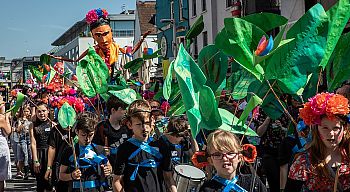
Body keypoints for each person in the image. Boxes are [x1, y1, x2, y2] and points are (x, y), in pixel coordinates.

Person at [50, 8, 149, 80]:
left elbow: (131, 52)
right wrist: (58, 58)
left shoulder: (115, 47)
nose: (104, 39)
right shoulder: (92, 50)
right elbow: (75, 60)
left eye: (106, 34)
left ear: (111, 32)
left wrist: (142, 39)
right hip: (99, 81)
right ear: (93, 37)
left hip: (114, 79)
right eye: (98, 35)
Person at [285, 92, 350, 191]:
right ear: (316, 130)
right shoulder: (303, 162)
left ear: (344, 129)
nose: (331, 133)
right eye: (325, 128)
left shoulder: (348, 157)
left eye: (336, 128)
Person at [112, 100, 176, 192]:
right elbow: (116, 181)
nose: (144, 128)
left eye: (146, 123)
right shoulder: (124, 148)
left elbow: (169, 178)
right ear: (130, 125)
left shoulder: (161, 146)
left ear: (152, 121)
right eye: (138, 124)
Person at [59, 113, 112, 192]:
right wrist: (71, 176)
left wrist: (108, 170)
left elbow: (109, 167)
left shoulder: (99, 149)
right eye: (83, 135)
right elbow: (61, 175)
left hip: (96, 189)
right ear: (77, 131)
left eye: (90, 135)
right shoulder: (70, 150)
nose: (87, 139)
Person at [199, 130, 267, 192]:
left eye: (230, 153)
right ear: (210, 160)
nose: (225, 158)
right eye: (217, 154)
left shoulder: (253, 182)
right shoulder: (206, 189)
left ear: (239, 157)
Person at [92, 95, 131, 191]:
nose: (125, 112)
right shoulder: (102, 128)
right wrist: (104, 157)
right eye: (122, 109)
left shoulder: (127, 127)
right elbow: (94, 148)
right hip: (108, 175)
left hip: (126, 173)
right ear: (113, 110)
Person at [29, 102, 54, 192]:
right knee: (40, 182)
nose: (41, 113)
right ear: (36, 113)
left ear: (48, 111)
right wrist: (35, 160)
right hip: (39, 154)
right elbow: (33, 143)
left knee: (50, 183)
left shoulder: (53, 125)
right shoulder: (33, 125)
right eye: (39, 111)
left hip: (51, 155)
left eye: (43, 111)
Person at [45, 122, 72, 191]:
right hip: (60, 164)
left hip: (75, 164)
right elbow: (52, 148)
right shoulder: (56, 129)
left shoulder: (78, 128)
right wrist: (49, 167)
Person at [16, 105, 33, 180]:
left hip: (30, 138)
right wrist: (22, 122)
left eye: (27, 111)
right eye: (24, 111)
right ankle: (26, 173)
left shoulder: (32, 119)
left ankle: (32, 170)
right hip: (23, 138)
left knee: (30, 155)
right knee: (25, 154)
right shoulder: (20, 119)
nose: (26, 113)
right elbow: (18, 130)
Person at [0, 96, 11, 192]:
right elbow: (8, 131)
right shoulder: (1, 118)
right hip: (1, 147)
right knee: (1, 176)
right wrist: (6, 117)